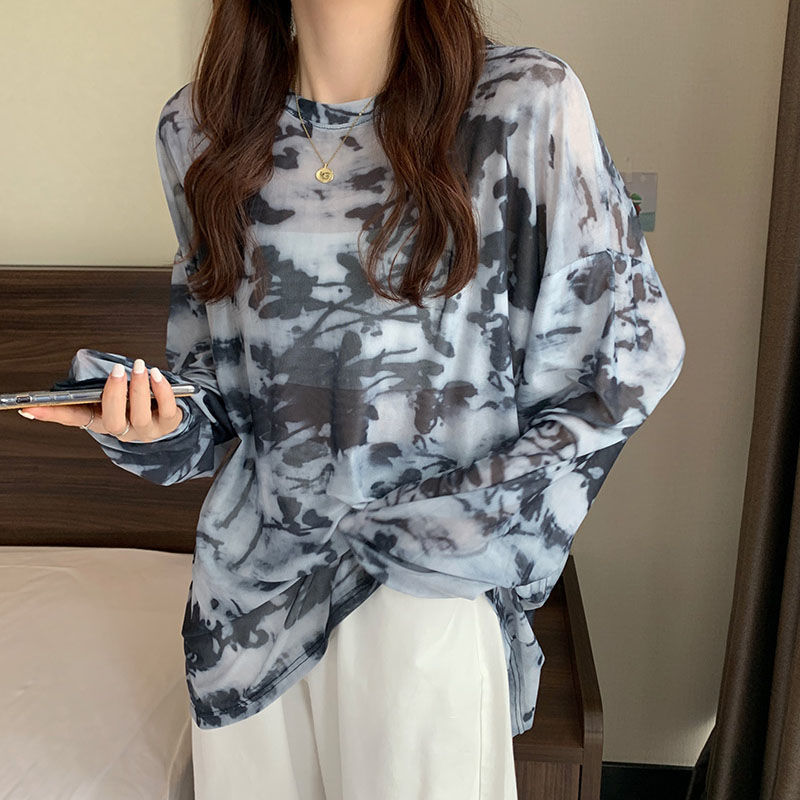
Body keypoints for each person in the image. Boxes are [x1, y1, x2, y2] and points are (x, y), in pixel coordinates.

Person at [19, 1, 686, 798]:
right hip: (248, 612)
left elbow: (624, 363)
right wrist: (147, 422)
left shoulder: (519, 104)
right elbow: (218, 392)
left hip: (423, 603)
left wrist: (463, 526)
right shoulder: (199, 128)